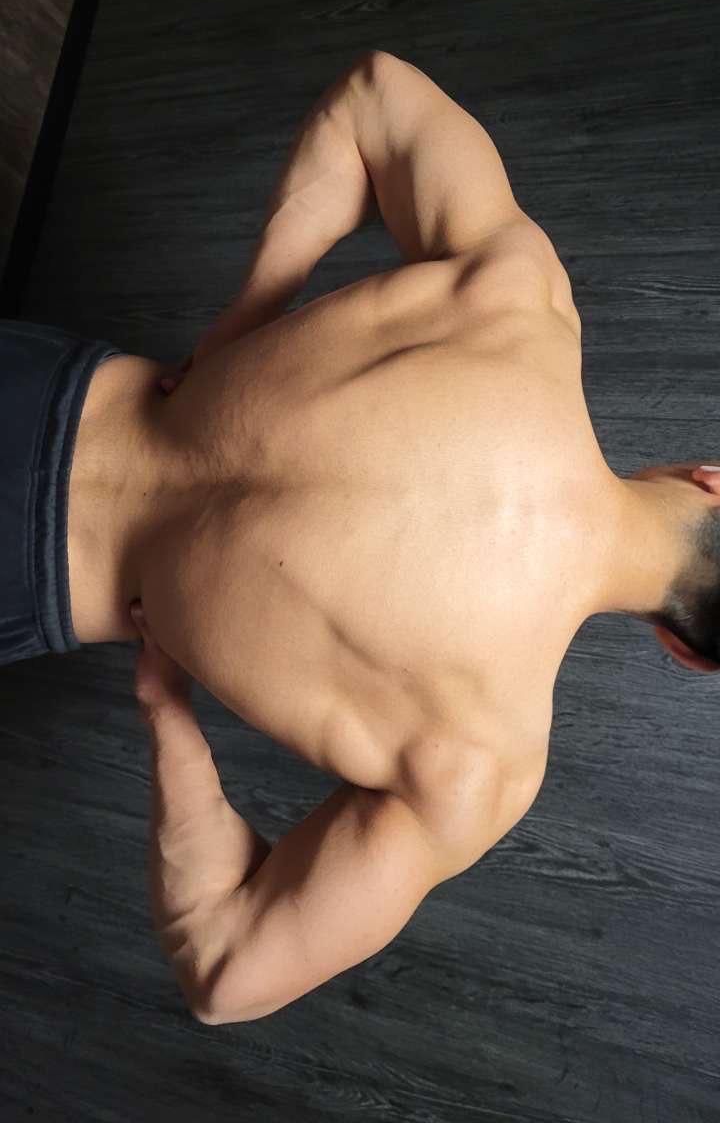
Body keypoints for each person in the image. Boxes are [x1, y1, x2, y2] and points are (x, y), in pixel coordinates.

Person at [3, 50, 719, 1025]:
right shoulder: (480, 761)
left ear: (712, 480)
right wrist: (166, 706)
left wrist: (249, 318)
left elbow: (377, 92)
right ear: (688, 650)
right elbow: (223, 971)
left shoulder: (521, 301)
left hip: (43, 386)